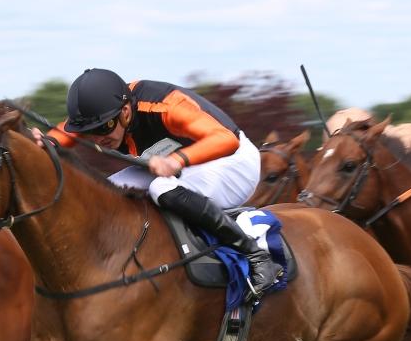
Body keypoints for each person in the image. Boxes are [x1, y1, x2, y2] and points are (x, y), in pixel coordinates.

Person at [35, 68, 281, 301]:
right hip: (187, 167)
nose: (99, 138)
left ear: (125, 112)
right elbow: (62, 135)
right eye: (90, 131)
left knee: (160, 188)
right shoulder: (105, 110)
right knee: (105, 190)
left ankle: (256, 256)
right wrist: (42, 142)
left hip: (234, 163)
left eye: (104, 127)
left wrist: (177, 160)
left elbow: (226, 139)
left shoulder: (166, 106)